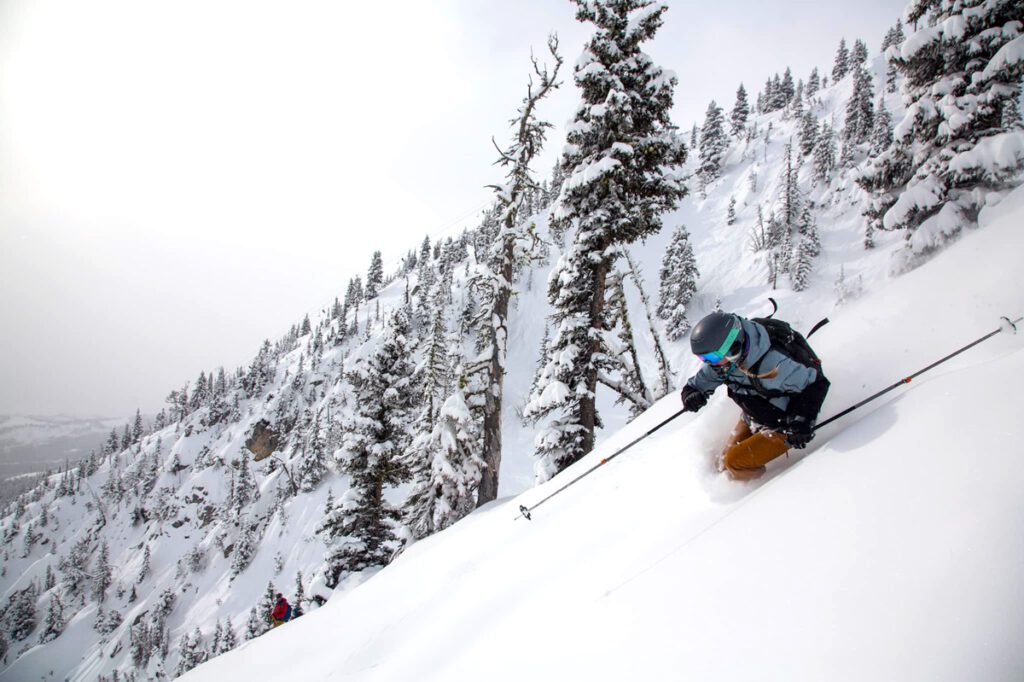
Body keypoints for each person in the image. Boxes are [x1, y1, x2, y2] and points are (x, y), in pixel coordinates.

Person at [680, 311, 829, 480]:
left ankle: (758, 494)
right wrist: (691, 394)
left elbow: (817, 384)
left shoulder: (774, 364)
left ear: (732, 346)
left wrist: (802, 421)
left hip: (785, 425)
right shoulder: (724, 363)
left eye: (712, 357)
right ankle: (734, 480)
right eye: (704, 358)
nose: (709, 362)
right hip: (755, 415)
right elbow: (699, 383)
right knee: (722, 463)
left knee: (734, 462)